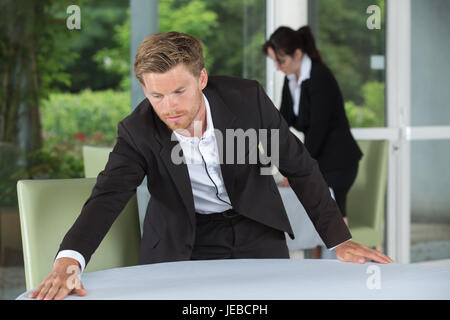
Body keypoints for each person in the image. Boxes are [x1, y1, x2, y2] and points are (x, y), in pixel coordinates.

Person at [29, 31, 392, 300]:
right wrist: (69, 260)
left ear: (201, 79)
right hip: (186, 237)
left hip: (256, 226)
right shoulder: (137, 131)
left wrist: (339, 239)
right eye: (156, 95)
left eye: (179, 92)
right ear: (144, 89)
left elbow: (297, 164)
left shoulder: (246, 98)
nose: (169, 106)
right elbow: (107, 196)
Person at [262, 26, 363, 259]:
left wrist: (297, 170)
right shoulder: (292, 80)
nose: (278, 67)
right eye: (274, 62)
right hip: (321, 158)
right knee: (303, 198)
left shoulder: (319, 77)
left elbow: (318, 129)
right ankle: (322, 267)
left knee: (325, 204)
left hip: (339, 162)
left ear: (297, 54)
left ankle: (343, 269)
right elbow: (282, 120)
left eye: (281, 60)